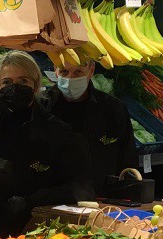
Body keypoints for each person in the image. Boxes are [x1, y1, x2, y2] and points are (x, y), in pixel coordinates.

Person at [0, 50, 95, 234]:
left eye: (23, 81)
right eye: (7, 82)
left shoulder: (57, 131)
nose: (15, 87)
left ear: (36, 85)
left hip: (37, 228)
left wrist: (33, 200)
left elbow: (81, 185)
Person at [43, 60, 138, 191]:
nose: (70, 78)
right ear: (55, 70)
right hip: (51, 198)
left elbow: (128, 161)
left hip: (103, 197)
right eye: (64, 71)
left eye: (78, 72)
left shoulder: (113, 109)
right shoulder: (42, 107)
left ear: (91, 71)